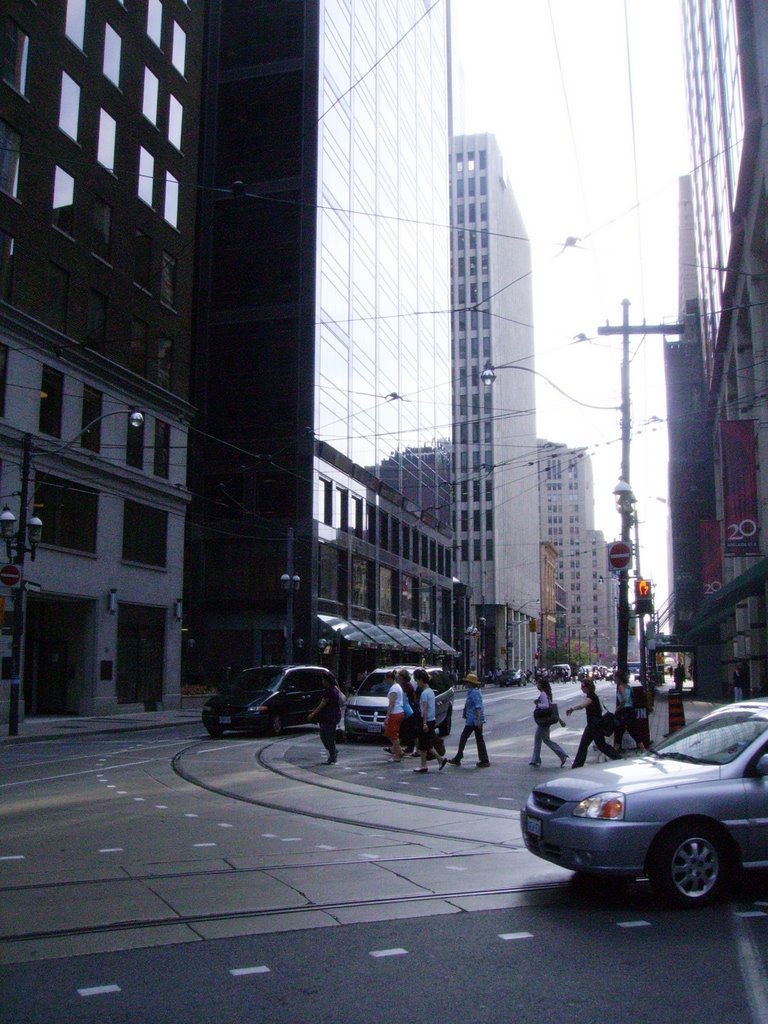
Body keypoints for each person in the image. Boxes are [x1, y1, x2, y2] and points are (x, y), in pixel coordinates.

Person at [566, 678, 622, 769]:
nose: (581, 688)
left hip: (593, 726)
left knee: (585, 745)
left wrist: (572, 709)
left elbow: (582, 705)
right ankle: (618, 757)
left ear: (587, 687)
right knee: (601, 745)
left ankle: (577, 765)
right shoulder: (593, 696)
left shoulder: (591, 697)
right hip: (596, 725)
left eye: (582, 686)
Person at [447, 672, 490, 767]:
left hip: (473, 720)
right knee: (478, 739)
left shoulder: (474, 693)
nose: (466, 683)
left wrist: (478, 720)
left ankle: (459, 757)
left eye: (467, 682)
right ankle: (484, 759)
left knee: (465, 737)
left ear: (471, 683)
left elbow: (478, 707)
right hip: (473, 719)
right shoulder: (472, 691)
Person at [413, 667, 448, 773]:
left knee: (424, 745)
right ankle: (437, 760)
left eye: (417, 680)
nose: (417, 683)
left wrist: (424, 723)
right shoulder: (431, 692)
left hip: (426, 721)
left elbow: (425, 709)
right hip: (431, 720)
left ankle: (426, 765)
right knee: (425, 744)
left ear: (421, 680)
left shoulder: (424, 693)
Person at [529, 678, 567, 768]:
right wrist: (560, 719)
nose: (537, 685)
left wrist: (537, 704)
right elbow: (551, 708)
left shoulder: (543, 694)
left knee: (546, 740)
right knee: (537, 738)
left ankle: (562, 755)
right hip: (545, 721)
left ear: (541, 685)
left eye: (538, 684)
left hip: (544, 721)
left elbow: (546, 706)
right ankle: (535, 759)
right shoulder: (546, 693)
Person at [307, 676, 343, 764]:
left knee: (328, 737)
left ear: (327, 681)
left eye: (323, 680)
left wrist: (312, 714)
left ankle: (333, 756)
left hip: (330, 717)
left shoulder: (330, 691)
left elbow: (322, 704)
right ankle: (333, 752)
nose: (322, 681)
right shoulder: (333, 689)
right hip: (327, 717)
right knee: (324, 736)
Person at [612, 669, 646, 752]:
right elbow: (631, 699)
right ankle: (643, 749)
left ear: (619, 678)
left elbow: (623, 699)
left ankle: (614, 752)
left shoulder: (621, 687)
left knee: (619, 732)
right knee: (633, 731)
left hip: (624, 711)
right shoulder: (628, 687)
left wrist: (618, 708)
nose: (615, 679)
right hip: (630, 710)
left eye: (615, 678)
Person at [383, 669, 405, 761]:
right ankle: (399, 751)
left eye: (386, 679)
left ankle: (397, 755)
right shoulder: (397, 687)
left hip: (395, 713)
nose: (385, 681)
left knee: (392, 734)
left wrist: (387, 716)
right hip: (398, 712)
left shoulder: (394, 689)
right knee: (389, 733)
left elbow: (391, 703)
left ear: (390, 678)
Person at [398, 668, 420, 755]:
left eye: (399, 676)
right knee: (404, 730)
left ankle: (417, 750)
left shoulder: (406, 686)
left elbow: (404, 698)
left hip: (410, 710)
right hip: (407, 710)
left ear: (403, 677)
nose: (398, 678)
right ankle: (408, 747)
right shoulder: (405, 685)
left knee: (413, 731)